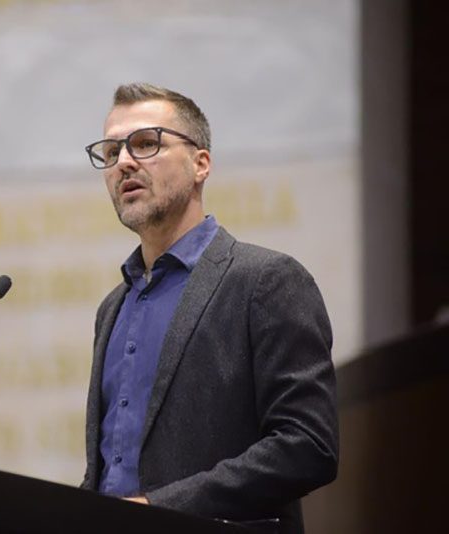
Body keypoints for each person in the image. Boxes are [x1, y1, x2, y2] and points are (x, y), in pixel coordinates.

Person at [80, 83, 338, 534]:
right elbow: (107, 471)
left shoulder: (266, 281)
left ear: (201, 164)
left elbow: (308, 445)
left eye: (146, 143)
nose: (123, 162)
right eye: (111, 151)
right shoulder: (112, 308)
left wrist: (159, 507)